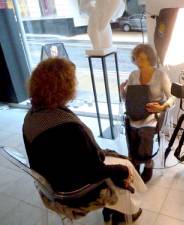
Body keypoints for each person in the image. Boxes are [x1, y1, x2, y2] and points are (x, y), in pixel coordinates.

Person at [22, 57, 146, 223]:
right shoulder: (68, 128)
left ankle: (115, 210)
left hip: (52, 184)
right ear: (63, 88)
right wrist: (121, 171)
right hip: (72, 193)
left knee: (118, 162)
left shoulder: (31, 117)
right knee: (126, 168)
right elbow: (94, 172)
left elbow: (73, 157)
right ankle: (123, 214)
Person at [120, 44, 175, 183]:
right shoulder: (133, 74)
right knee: (131, 131)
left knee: (144, 133)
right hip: (136, 112)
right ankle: (135, 162)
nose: (139, 63)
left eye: (143, 59)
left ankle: (148, 163)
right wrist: (122, 91)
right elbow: (128, 98)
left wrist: (162, 107)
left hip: (153, 114)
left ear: (150, 59)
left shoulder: (160, 75)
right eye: (137, 59)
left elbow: (173, 96)